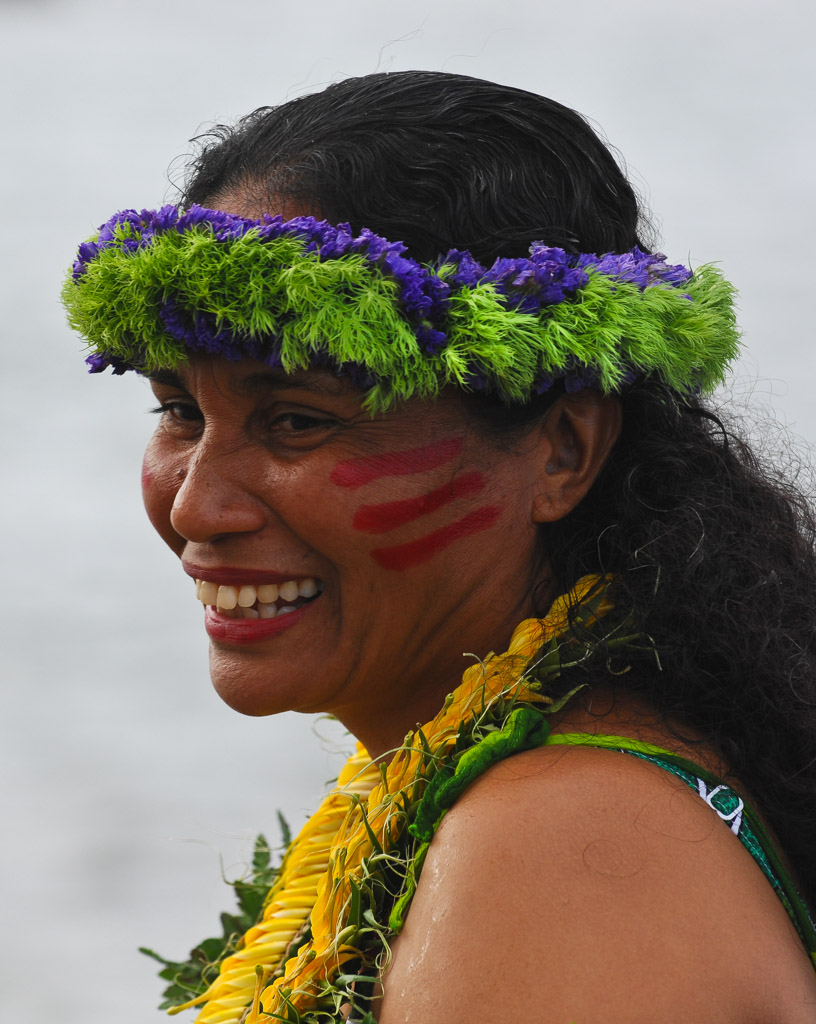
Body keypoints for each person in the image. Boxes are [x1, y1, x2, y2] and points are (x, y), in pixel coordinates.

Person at [63, 72, 816, 1022]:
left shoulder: (564, 845)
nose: (197, 507)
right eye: (178, 412)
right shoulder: (514, 787)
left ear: (562, 448)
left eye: (296, 421)